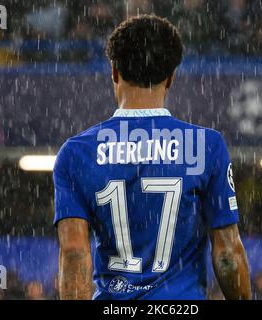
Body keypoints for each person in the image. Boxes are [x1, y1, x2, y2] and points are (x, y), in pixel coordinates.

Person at [54, 14, 251, 300]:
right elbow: (228, 254)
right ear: (171, 77)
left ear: (114, 72)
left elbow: (73, 253)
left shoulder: (76, 153)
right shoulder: (206, 145)